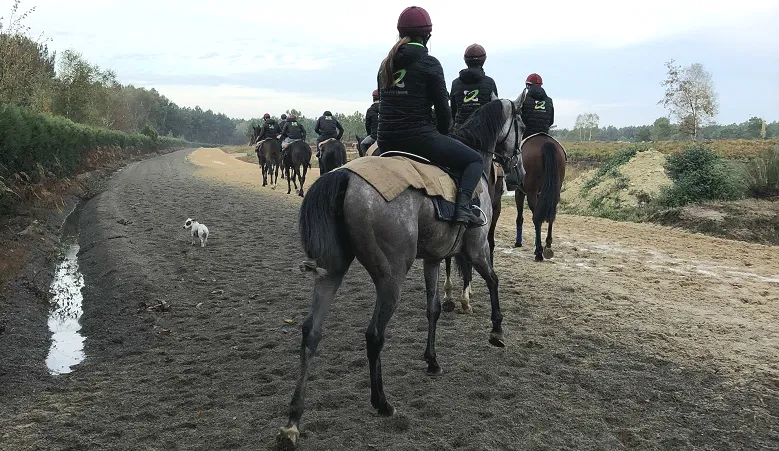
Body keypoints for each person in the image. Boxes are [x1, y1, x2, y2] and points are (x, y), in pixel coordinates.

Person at [376, 6, 485, 227]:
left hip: (385, 141)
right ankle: (462, 209)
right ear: (427, 35)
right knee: (475, 160)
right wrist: (444, 133)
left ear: (400, 33)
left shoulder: (385, 64)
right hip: (420, 140)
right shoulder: (430, 63)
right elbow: (444, 111)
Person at [450, 43, 498, 128]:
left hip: (460, 130)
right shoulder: (490, 82)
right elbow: (495, 109)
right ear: (484, 60)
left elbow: (453, 110)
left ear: (465, 60)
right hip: (483, 130)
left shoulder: (455, 83)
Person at [518, 73, 554, 139]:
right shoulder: (549, 100)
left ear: (528, 85)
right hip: (544, 135)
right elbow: (551, 121)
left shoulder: (524, 99)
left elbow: (520, 120)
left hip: (527, 136)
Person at [359, 90, 380, 156]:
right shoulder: (385, 108)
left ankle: (365, 157)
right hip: (385, 136)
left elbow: (367, 125)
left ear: (373, 98)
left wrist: (369, 134)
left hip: (374, 136)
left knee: (362, 144)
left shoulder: (370, 110)